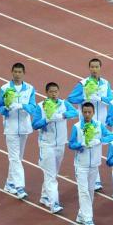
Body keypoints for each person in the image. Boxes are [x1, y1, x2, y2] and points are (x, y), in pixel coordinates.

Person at [28, 82, 76, 213]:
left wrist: (62, 115)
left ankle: (45, 196)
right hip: (47, 145)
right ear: (46, 93)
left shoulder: (63, 104)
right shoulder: (40, 107)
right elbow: (35, 124)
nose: (54, 94)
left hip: (61, 144)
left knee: (53, 173)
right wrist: (47, 120)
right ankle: (54, 203)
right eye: (51, 92)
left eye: (56, 91)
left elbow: (74, 112)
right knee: (51, 175)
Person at [0, 63, 36, 199]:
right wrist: (6, 108)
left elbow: (33, 107)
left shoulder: (30, 89)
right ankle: (19, 187)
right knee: (14, 158)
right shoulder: (4, 88)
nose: (17, 74)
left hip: (24, 127)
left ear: (23, 73)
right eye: (15, 71)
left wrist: (21, 106)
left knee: (18, 158)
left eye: (19, 72)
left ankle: (9, 183)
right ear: (12, 72)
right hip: (11, 128)